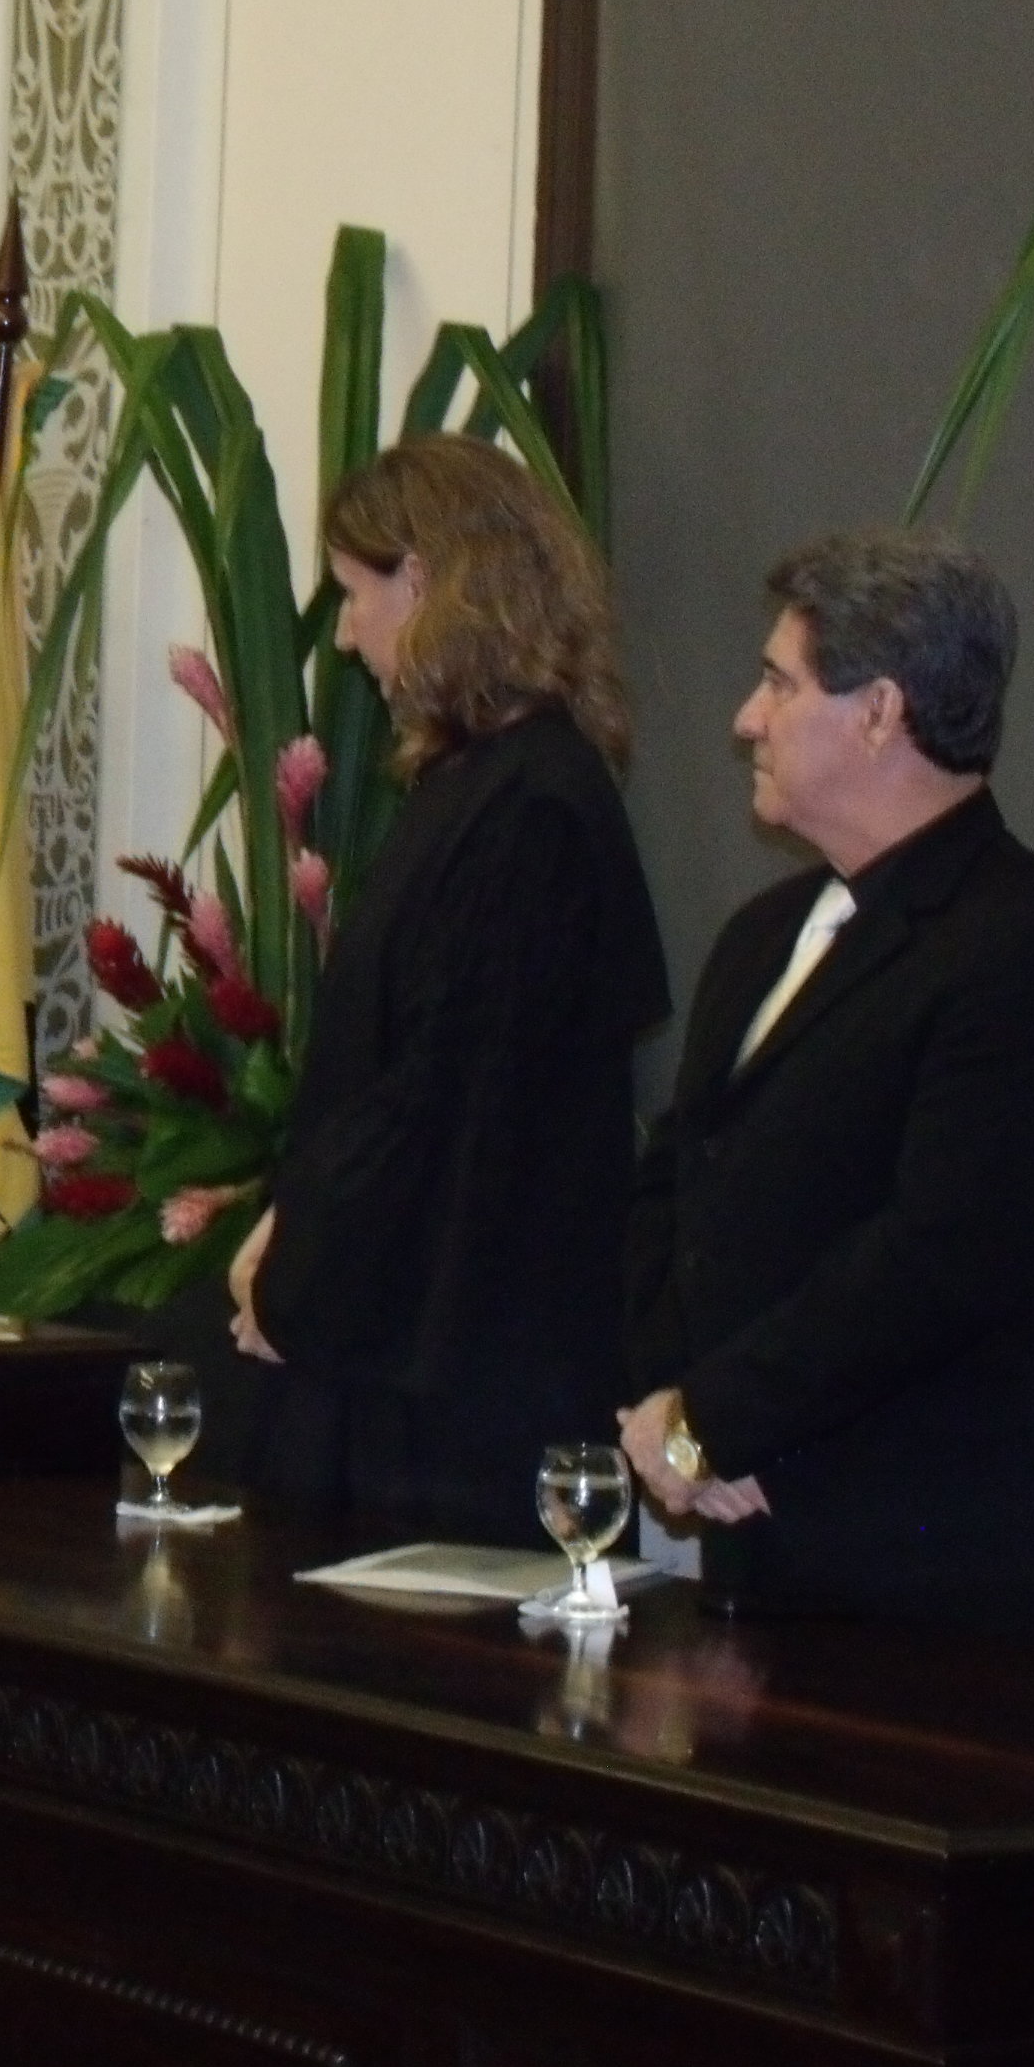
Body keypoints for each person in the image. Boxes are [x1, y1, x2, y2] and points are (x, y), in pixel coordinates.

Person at [620, 532, 1034, 1656]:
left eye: (779, 683)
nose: (745, 719)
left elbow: (938, 1260)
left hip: (948, 1613)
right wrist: (669, 1400)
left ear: (879, 711)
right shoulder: (763, 937)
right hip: (762, 1570)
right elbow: (677, 1184)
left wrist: (714, 1420)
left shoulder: (1032, 954)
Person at [226, 435, 667, 1542]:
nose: (344, 634)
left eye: (354, 594)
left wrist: (296, 1276)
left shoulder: (530, 810)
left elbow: (440, 1101)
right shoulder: (484, 786)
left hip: (465, 1394)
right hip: (428, 1357)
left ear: (423, 583)